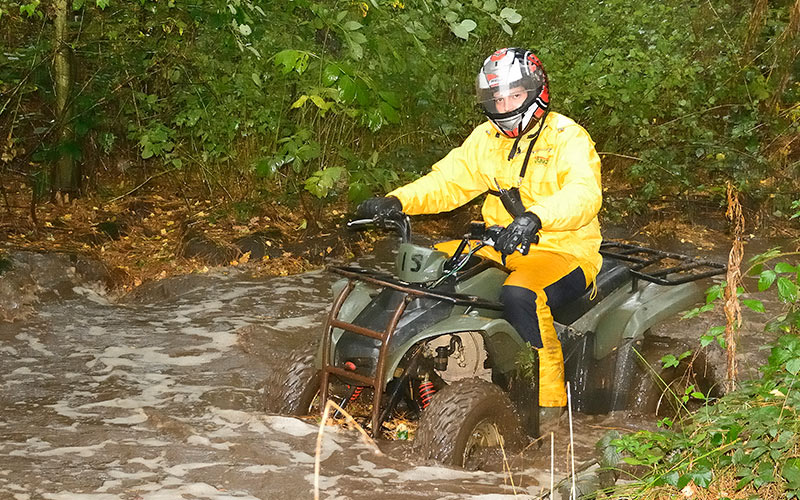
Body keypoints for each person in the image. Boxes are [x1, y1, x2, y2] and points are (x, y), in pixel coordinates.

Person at [356, 47, 603, 414]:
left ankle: (546, 405)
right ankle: (399, 368)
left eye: (514, 96)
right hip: (500, 243)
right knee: (430, 267)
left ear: (537, 90)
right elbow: (448, 182)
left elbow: (584, 194)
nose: (505, 107)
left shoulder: (567, 137)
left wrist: (534, 218)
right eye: (497, 98)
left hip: (564, 250)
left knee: (521, 295)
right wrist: (398, 200)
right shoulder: (486, 138)